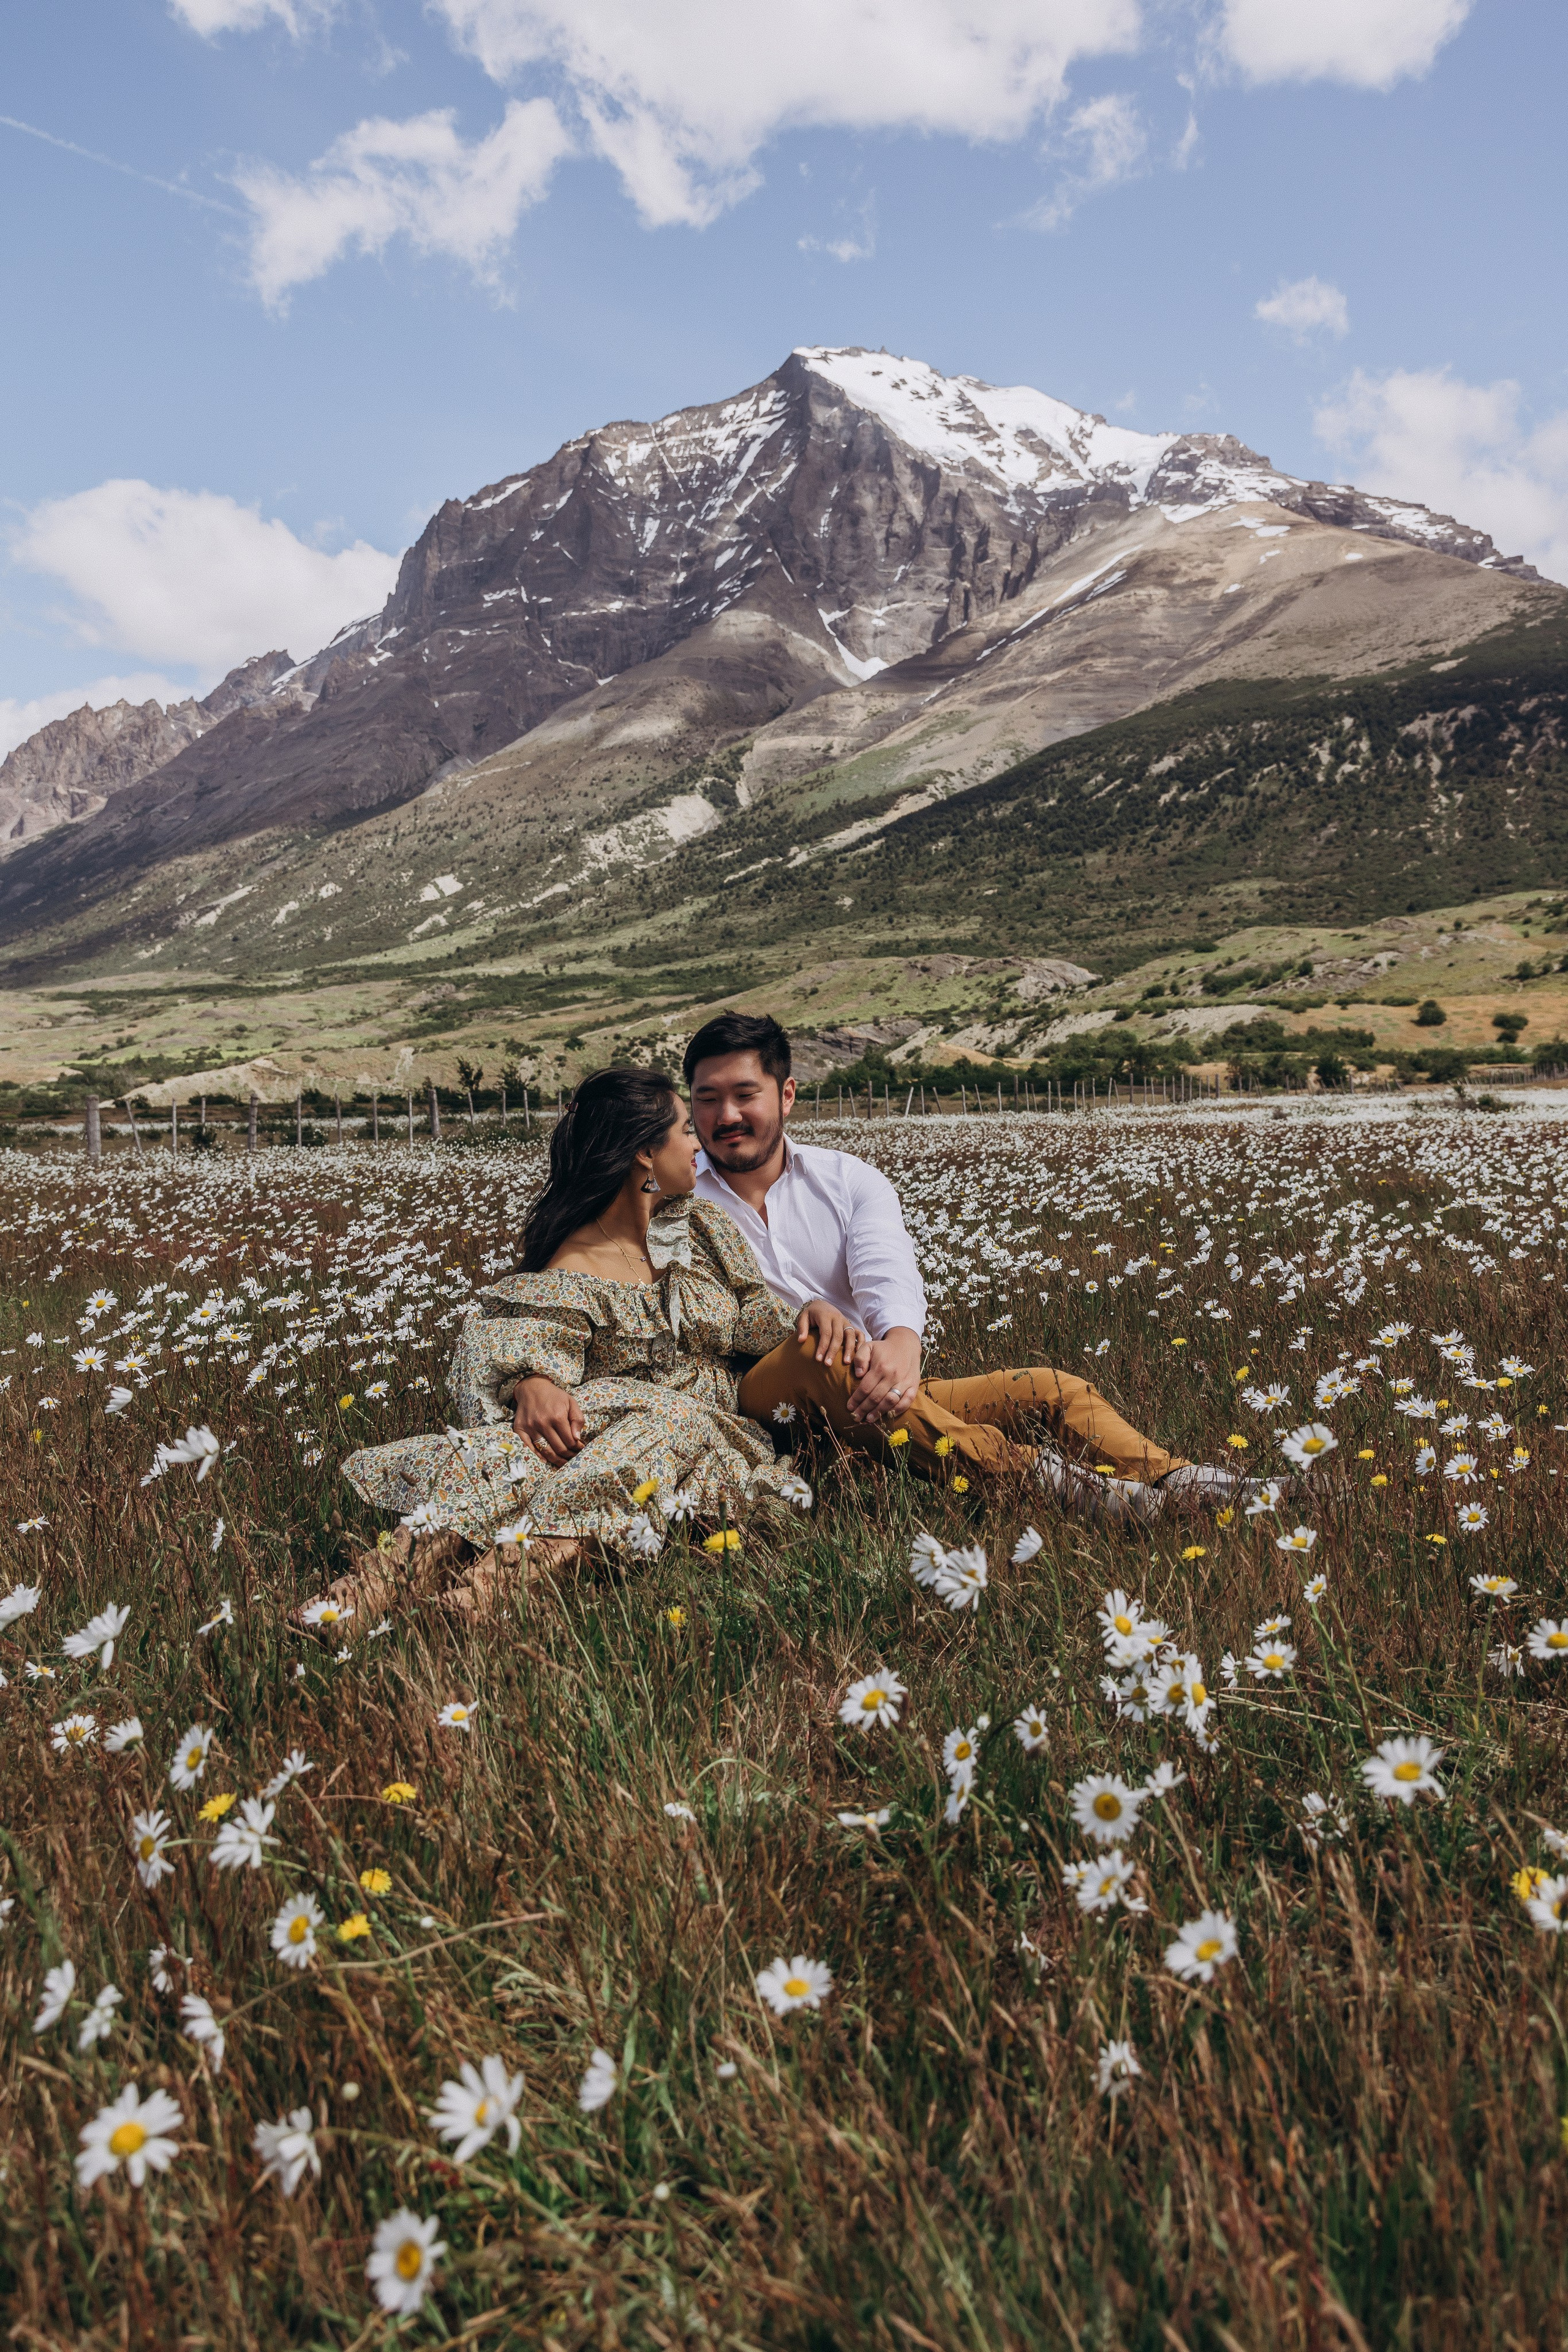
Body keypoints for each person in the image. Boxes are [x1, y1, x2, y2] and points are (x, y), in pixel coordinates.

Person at [513, 1011, 1248, 1528]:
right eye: (705, 1101)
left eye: (744, 1095)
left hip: (875, 1385)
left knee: (1053, 1388)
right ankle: (1052, 1487)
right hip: (754, 1400)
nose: (725, 1117)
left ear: (786, 1095)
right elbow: (576, 1288)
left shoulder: (848, 1179)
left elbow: (886, 1271)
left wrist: (900, 1345)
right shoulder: (671, 1195)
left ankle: (1186, 1484)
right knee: (813, 1352)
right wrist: (534, 1375)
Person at [338, 1067, 850, 1615]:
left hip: (709, 1435)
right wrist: (531, 1383)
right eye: (683, 1130)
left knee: (654, 1427)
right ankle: (360, 1596)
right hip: (618, 1436)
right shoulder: (571, 1268)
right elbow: (499, 1347)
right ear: (644, 1156)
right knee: (513, 1452)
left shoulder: (700, 1227)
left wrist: (807, 1311)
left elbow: (751, 1314)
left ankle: (487, 1590)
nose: (697, 1141)